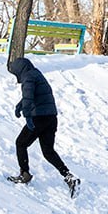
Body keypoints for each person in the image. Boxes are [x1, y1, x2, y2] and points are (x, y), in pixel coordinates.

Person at [7, 57, 79, 196]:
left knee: (20, 143)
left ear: (20, 70)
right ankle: (69, 177)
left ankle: (25, 174)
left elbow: (28, 96)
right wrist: (20, 105)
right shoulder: (36, 74)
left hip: (38, 118)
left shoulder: (28, 77)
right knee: (48, 151)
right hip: (51, 118)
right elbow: (33, 95)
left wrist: (27, 116)